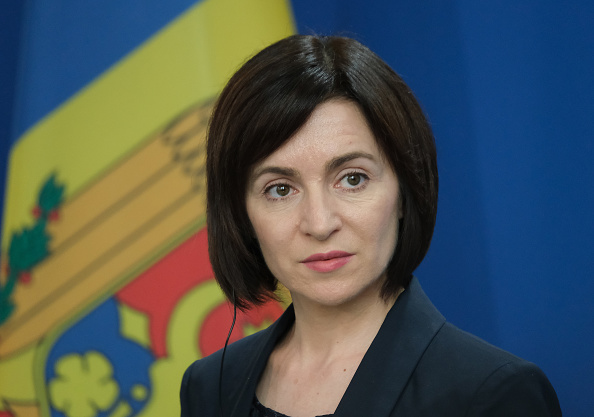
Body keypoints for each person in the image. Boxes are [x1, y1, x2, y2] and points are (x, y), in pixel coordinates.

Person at [180, 35, 562, 417]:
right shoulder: (209, 387)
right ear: (240, 213)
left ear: (404, 191)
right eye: (280, 189)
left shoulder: (491, 394)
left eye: (352, 179)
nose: (319, 223)